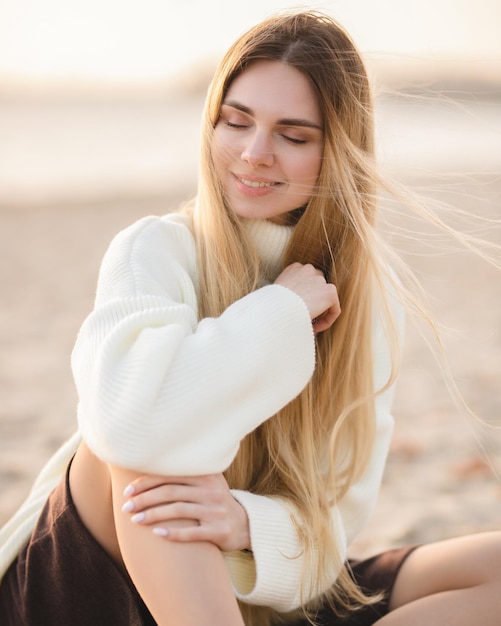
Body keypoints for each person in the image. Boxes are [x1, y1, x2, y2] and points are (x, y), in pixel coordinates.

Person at [0, 10, 500, 626]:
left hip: (251, 583)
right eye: (236, 122)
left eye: (293, 136)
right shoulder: (155, 248)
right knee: (150, 441)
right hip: (92, 583)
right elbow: (131, 425)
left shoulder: (366, 301)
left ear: (338, 150)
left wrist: (244, 522)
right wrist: (282, 312)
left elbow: (336, 521)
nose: (254, 154)